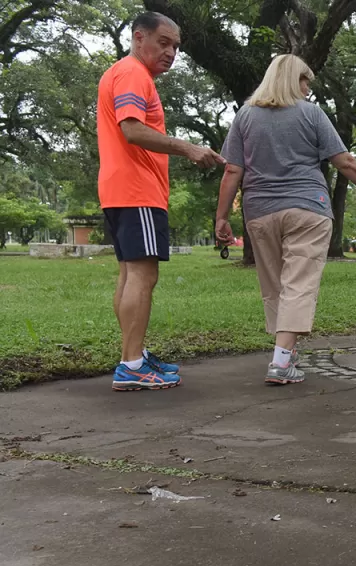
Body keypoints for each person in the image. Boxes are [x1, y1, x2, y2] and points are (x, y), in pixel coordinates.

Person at [215, 54, 356, 385]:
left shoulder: (244, 116)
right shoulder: (311, 114)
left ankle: (287, 352)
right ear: (290, 80)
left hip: (260, 212)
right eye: (305, 81)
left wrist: (222, 217)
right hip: (308, 208)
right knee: (299, 285)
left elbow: (232, 169)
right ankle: (281, 362)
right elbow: (345, 162)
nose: (308, 89)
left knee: (275, 286)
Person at [98, 12, 225, 391]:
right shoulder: (134, 74)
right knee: (143, 275)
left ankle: (131, 356)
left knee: (128, 274)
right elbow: (133, 130)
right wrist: (189, 148)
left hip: (120, 190)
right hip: (137, 191)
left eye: (176, 47)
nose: (171, 52)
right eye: (164, 42)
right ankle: (132, 365)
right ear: (139, 37)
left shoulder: (123, 73)